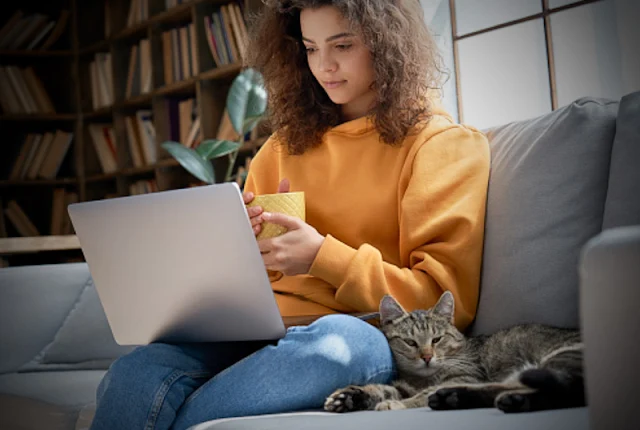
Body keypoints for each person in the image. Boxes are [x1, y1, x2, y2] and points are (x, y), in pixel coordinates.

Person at [90, 0, 490, 429]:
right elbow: (255, 275)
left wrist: (321, 255)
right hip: (249, 333)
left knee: (342, 349)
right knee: (136, 372)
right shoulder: (283, 146)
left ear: (387, 44)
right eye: (311, 48)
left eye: (342, 45)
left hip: (355, 332)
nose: (325, 66)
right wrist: (239, 245)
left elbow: (442, 300)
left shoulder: (441, 145)